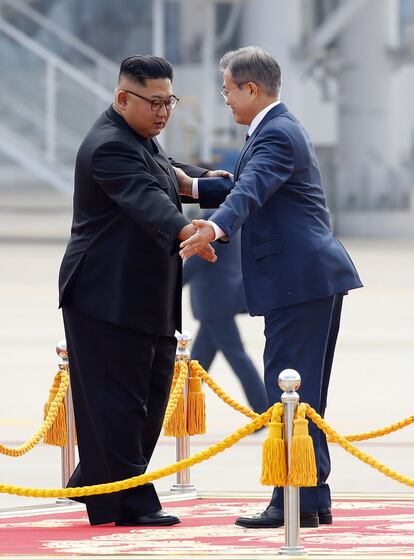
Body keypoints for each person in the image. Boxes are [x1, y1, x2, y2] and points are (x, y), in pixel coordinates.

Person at [177, 46, 363, 528]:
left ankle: (289, 499)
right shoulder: (277, 129)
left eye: (227, 92)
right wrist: (192, 187)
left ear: (251, 89)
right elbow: (245, 182)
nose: (226, 101)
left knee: (286, 387)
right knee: (305, 394)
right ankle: (311, 497)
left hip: (297, 281)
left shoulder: (275, 134)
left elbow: (251, 188)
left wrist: (213, 229)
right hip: (309, 278)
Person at [58, 54, 226, 527]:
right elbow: (148, 200)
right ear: (122, 98)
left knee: (150, 396)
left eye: (168, 101)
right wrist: (189, 231)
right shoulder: (109, 146)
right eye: (153, 102)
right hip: (103, 295)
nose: (163, 111)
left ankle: (94, 479)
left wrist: (219, 185)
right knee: (121, 399)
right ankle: (131, 501)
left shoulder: (141, 139)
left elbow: (172, 174)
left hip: (142, 292)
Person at [183, 209, 267, 414]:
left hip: (215, 303)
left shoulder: (213, 219)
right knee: (198, 362)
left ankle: (263, 408)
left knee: (236, 357)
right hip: (218, 302)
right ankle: (183, 410)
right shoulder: (228, 216)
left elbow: (194, 262)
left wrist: (167, 287)